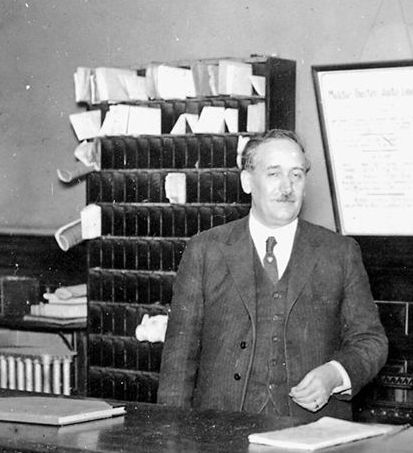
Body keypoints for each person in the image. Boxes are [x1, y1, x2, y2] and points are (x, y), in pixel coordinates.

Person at [157, 128, 388, 418]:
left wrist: (335, 373)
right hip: (220, 434)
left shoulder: (339, 253)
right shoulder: (206, 250)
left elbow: (371, 341)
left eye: (296, 175)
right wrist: (170, 436)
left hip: (312, 435)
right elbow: (179, 357)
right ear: (247, 181)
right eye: (274, 174)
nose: (287, 187)